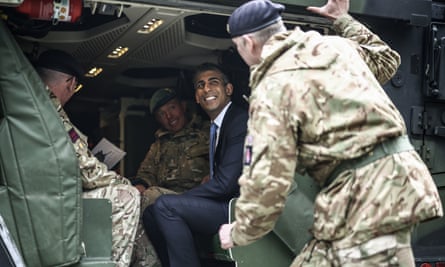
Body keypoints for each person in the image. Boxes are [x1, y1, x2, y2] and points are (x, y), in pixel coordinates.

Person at [219, 0, 443, 266]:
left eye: (237, 47)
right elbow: (386, 59)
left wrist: (239, 231)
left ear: (249, 43)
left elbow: (268, 181)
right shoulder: (334, 47)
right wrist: (343, 20)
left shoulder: (272, 86)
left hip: (362, 197)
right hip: (402, 181)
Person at [35, 49, 140, 267]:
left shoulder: (31, 104)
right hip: (53, 202)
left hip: (38, 198)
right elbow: (87, 172)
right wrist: (124, 182)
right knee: (128, 196)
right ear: (71, 83)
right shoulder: (50, 112)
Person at [142, 62, 248, 267]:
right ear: (197, 99)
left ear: (228, 89)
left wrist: (181, 199)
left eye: (213, 82)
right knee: (151, 213)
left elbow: (226, 184)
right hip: (222, 202)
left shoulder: (239, 121)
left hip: (237, 206)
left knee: (165, 206)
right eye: (200, 86)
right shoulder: (216, 126)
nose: (206, 89)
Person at [131, 87, 210, 267]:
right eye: (162, 114)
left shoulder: (206, 133)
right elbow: (145, 174)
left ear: (183, 106)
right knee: (137, 198)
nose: (169, 116)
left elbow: (226, 164)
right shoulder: (158, 145)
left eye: (172, 108)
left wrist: (212, 175)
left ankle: (152, 264)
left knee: (152, 196)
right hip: (166, 199)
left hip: (199, 199)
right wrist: (137, 189)